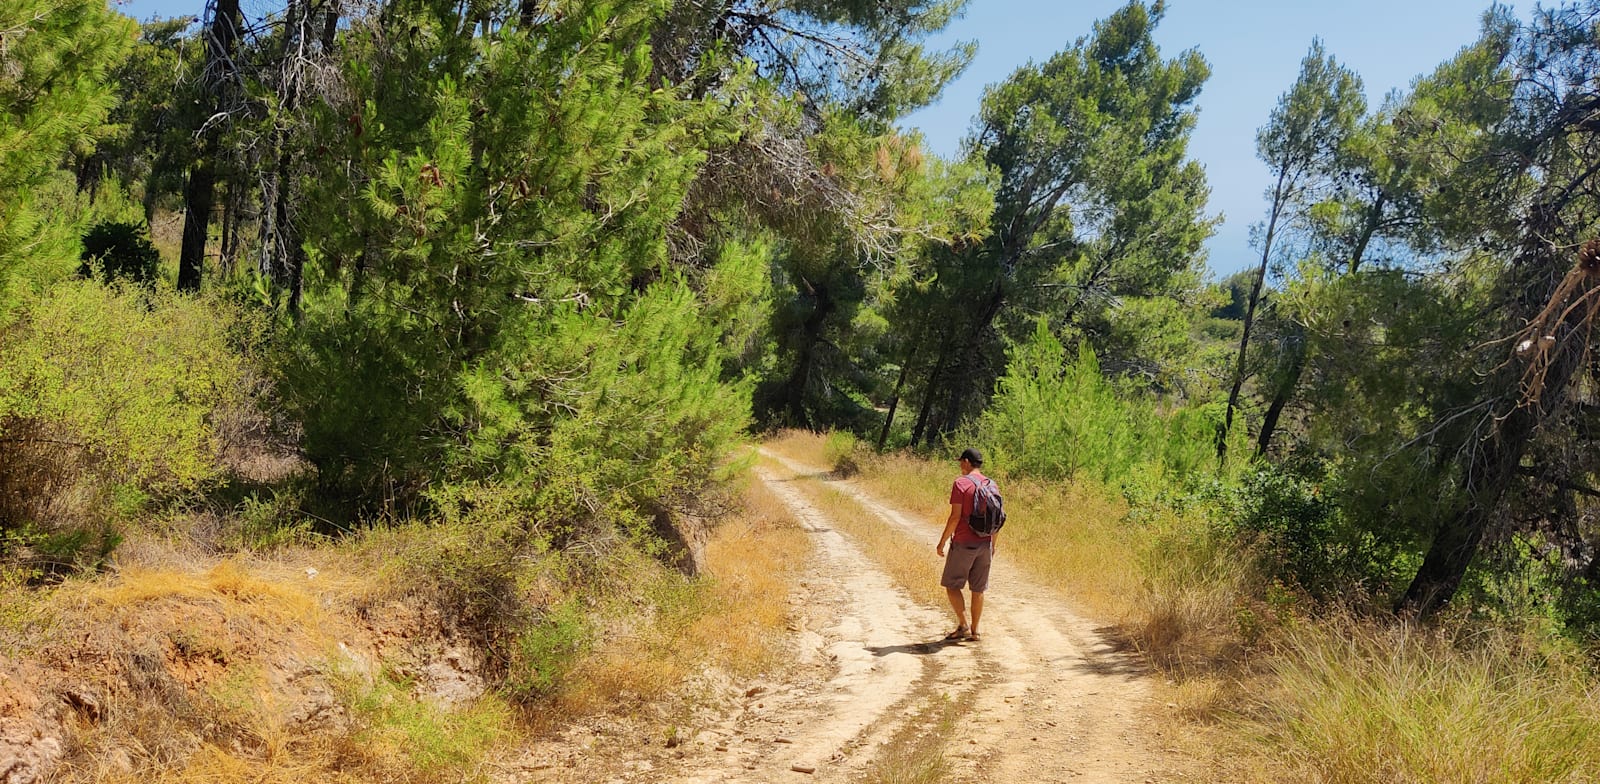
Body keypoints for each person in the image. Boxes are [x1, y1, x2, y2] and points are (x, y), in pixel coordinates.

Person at [935, 447, 995, 642]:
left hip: (963, 542)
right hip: (985, 544)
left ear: (968, 462)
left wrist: (942, 541)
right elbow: (997, 518)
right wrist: (993, 544)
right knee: (978, 589)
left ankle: (963, 625)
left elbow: (955, 516)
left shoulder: (961, 484)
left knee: (951, 585)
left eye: (961, 461)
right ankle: (976, 631)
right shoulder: (991, 484)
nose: (960, 465)